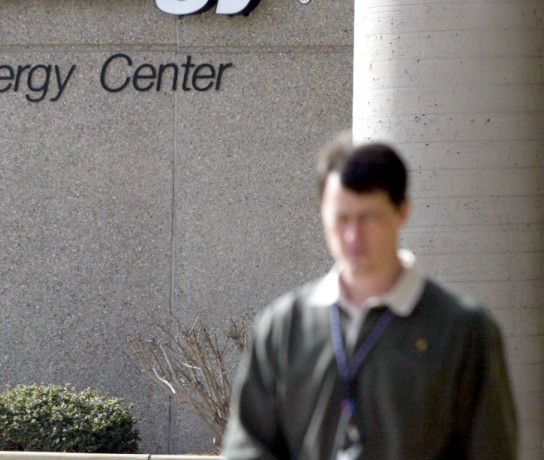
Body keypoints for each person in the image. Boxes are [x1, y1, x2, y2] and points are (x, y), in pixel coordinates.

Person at [222, 134, 518, 458]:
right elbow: (248, 446)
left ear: (402, 211)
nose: (353, 235)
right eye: (341, 218)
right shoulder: (283, 327)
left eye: (369, 217)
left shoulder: (464, 330)